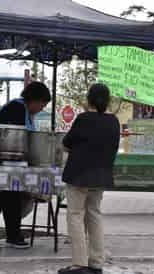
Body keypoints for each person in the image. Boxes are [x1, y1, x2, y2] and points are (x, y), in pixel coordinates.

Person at [0, 81, 51, 249]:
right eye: (42, 103)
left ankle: (13, 235)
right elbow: (17, 139)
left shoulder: (26, 112)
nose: (42, 108)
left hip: (13, 166)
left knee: (12, 199)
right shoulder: (16, 108)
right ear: (34, 99)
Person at [58, 83, 120, 274]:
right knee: (94, 214)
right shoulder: (114, 122)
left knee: (75, 215)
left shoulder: (83, 119)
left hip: (78, 175)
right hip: (101, 175)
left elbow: (66, 143)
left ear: (89, 99)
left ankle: (79, 263)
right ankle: (96, 262)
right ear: (108, 100)